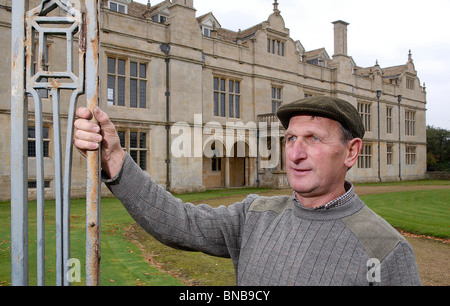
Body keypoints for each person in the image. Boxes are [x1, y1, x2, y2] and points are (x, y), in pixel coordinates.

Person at [74, 96, 421, 286]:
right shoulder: (256, 215)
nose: (295, 153)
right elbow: (178, 223)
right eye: (290, 139)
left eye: (313, 139)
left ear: (351, 151)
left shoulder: (386, 250)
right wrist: (115, 158)